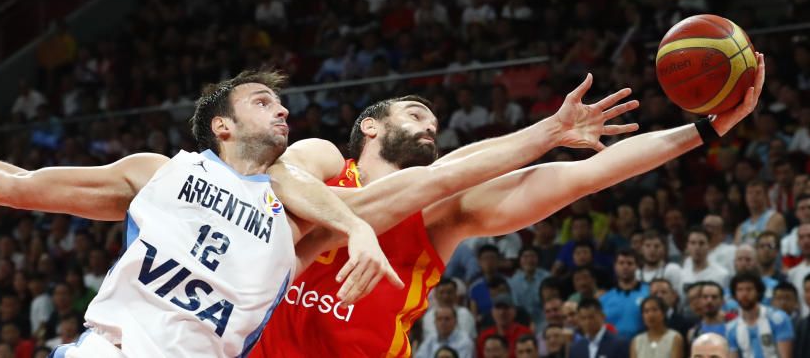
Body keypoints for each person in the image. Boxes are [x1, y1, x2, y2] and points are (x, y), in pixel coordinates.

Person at [0, 71, 409, 357]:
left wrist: (356, 225)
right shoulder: (161, 172)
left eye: (281, 102)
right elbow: (20, 184)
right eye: (262, 100)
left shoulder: (296, 212)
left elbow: (426, 184)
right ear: (223, 126)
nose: (281, 108)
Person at [254, 56, 765, 356]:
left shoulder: (439, 215)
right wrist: (357, 221)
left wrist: (706, 129)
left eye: (434, 124)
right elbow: (279, 182)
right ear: (369, 127)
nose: (429, 126)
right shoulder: (323, 159)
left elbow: (583, 176)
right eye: (415, 115)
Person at [725, 271, 794, 357]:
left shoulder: (778, 319)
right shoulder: (731, 328)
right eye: (740, 290)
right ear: (734, 294)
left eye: (749, 289)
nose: (744, 294)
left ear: (758, 291)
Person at [601, 249, 649, 338]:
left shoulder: (649, 293)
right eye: (621, 263)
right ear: (615, 266)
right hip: (613, 348)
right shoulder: (604, 299)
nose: (625, 267)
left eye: (630, 263)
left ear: (637, 266)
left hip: (642, 345)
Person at [736, 181, 787, 246]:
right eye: (750, 193)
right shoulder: (741, 227)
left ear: (766, 196)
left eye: (758, 193)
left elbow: (766, 246)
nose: (753, 196)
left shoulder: (775, 218)